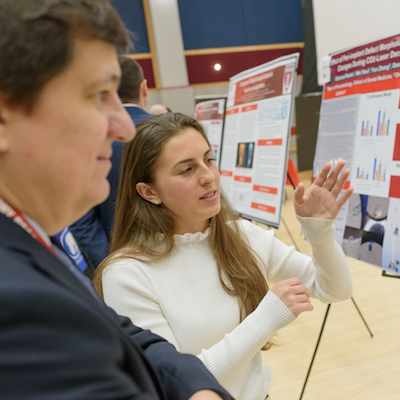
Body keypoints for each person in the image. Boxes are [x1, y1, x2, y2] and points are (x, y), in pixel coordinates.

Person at [0, 1, 231, 398]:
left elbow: (113, 330)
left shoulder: (32, 236)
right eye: (97, 94)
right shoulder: (15, 307)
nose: (125, 127)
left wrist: (193, 386)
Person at [97, 113, 355, 400]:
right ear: (149, 191)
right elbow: (175, 384)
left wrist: (319, 231)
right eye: (186, 170)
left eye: (209, 160)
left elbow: (335, 289)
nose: (208, 177)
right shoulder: (126, 274)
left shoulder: (241, 235)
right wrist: (265, 318)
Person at [70, 55, 153, 266]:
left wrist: (110, 264)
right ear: (144, 88)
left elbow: (81, 218)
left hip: (113, 259)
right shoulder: (178, 135)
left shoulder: (86, 140)